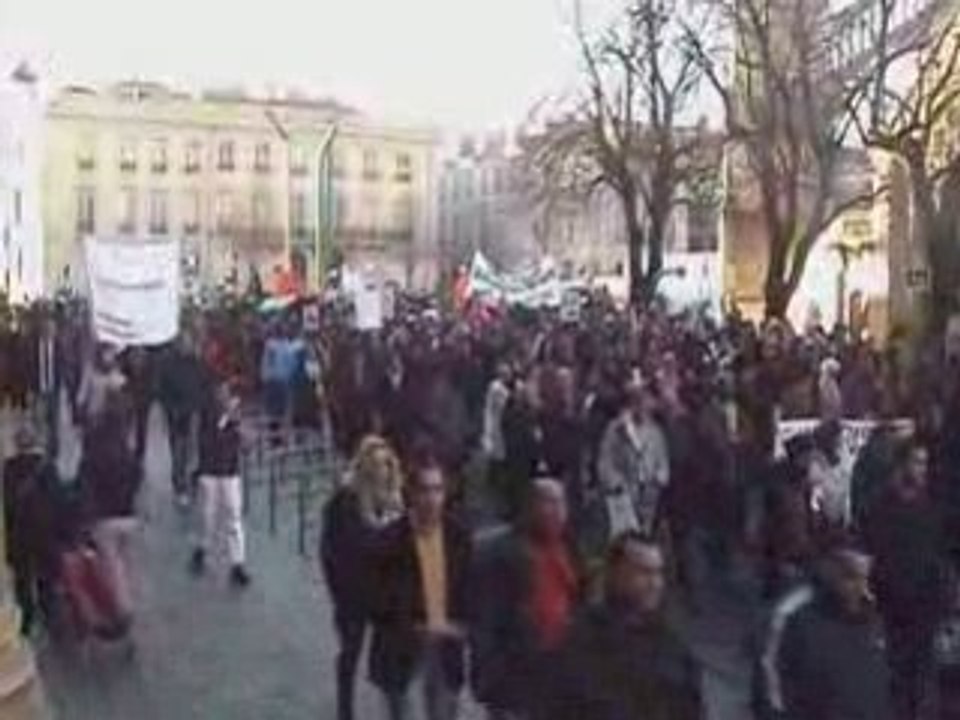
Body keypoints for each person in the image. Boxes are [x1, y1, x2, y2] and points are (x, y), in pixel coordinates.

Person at [549, 533, 703, 720]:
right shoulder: (582, 639)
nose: (654, 583)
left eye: (658, 573)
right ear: (615, 572)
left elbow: (690, 706)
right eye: (643, 572)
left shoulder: (671, 646)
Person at [369, 452, 472, 720]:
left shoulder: (459, 537)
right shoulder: (390, 541)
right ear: (412, 494)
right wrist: (414, 626)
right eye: (425, 490)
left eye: (437, 490)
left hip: (446, 647)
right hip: (402, 650)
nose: (431, 498)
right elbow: (377, 599)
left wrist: (462, 627)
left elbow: (468, 589)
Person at [472, 479, 579, 720]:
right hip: (517, 669)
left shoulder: (569, 549)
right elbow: (486, 619)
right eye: (549, 502)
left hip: (559, 668)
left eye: (561, 503)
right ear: (530, 507)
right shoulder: (502, 552)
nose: (557, 511)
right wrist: (488, 677)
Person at [321, 436, 404, 720]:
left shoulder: (394, 499)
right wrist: (338, 590)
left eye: (387, 464)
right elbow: (332, 549)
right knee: (350, 651)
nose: (383, 470)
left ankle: (395, 708)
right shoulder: (346, 501)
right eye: (378, 465)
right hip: (352, 593)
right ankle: (345, 709)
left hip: (384, 593)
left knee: (391, 656)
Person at [864, 440, 948, 720]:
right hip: (892, 606)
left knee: (922, 679)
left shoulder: (931, 507)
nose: (922, 469)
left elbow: (938, 554)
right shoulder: (880, 507)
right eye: (916, 462)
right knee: (897, 678)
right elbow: (872, 552)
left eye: (924, 463)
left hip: (924, 606)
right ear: (901, 465)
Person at [777, 545, 895, 720]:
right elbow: (779, 681)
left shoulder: (873, 622)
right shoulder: (800, 619)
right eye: (851, 577)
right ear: (832, 575)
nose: (860, 587)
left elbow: (880, 684)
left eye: (865, 578)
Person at [78, 392, 142, 629]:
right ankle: (127, 600)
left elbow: (85, 481)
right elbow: (137, 473)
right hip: (127, 513)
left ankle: (122, 610)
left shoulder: (95, 447)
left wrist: (86, 512)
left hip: (104, 516)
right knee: (123, 561)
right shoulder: (126, 446)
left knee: (111, 565)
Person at [190, 379, 251, 588]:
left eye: (229, 394)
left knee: (234, 517)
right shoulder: (207, 414)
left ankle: (237, 563)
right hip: (210, 471)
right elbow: (205, 439)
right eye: (223, 393)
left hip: (230, 473)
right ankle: (201, 549)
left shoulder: (238, 418)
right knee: (207, 516)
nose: (226, 398)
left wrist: (239, 425)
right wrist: (225, 420)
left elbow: (247, 444)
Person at [3, 425, 60, 635]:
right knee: (46, 578)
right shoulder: (47, 467)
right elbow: (57, 500)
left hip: (20, 534)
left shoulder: (8, 469)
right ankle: (50, 615)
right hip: (45, 533)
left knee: (23, 581)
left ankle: (26, 620)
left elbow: (7, 506)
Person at [597, 373, 670, 537]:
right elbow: (605, 462)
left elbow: (663, 464)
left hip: (649, 500)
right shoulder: (615, 429)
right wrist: (617, 484)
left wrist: (657, 482)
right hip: (623, 498)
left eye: (643, 399)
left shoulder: (655, 432)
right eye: (635, 400)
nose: (640, 404)